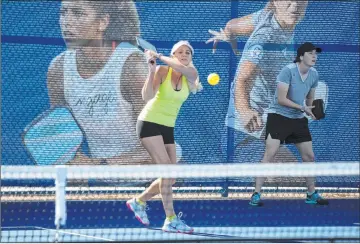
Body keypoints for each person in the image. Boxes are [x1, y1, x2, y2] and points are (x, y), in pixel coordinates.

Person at [207, 1, 330, 164]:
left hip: (265, 131)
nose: (294, 7)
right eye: (289, 1)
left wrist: (228, 35)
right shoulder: (266, 38)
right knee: (293, 180)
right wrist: (245, 112)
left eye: (300, 1)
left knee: (299, 178)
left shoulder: (267, 15)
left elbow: (231, 25)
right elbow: (242, 80)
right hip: (244, 135)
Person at [47, 0, 151, 164]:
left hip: (157, 180)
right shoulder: (58, 69)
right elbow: (65, 141)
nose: (67, 21)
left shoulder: (132, 66)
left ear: (103, 22)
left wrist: (100, 166)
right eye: (63, 12)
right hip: (105, 184)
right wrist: (75, 172)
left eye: (78, 13)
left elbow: (159, 148)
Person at [126, 41, 202, 233]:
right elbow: (147, 97)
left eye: (188, 53)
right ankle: (170, 219)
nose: (184, 55)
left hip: (168, 127)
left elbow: (186, 70)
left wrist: (159, 56)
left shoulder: (191, 75)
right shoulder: (162, 71)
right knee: (167, 172)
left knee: (171, 177)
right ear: (173, 54)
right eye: (180, 52)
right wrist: (151, 70)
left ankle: (139, 201)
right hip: (149, 122)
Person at [249, 42, 329, 206]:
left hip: (298, 119)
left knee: (309, 157)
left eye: (316, 54)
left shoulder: (314, 74)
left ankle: (311, 193)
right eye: (310, 53)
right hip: (278, 116)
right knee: (270, 154)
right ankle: (256, 194)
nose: (314, 56)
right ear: (301, 56)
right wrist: (302, 107)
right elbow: (281, 99)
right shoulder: (288, 71)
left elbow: (309, 100)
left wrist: (311, 109)